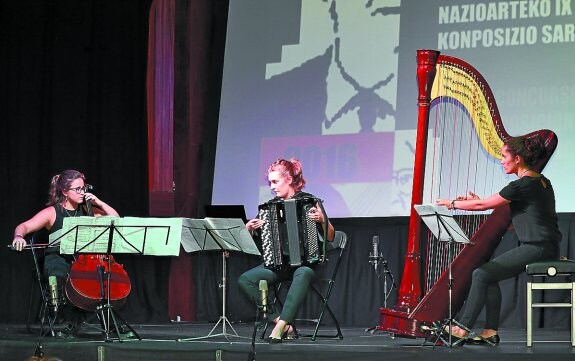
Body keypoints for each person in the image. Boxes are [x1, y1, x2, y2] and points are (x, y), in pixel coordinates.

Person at [435, 135, 561, 345]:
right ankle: (489, 332)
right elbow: (518, 219)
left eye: (504, 156)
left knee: (481, 273)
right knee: (488, 275)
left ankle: (462, 328)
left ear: (518, 158)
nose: (501, 161)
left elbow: (482, 206)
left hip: (537, 248)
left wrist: (453, 203)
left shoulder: (521, 186)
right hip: (545, 246)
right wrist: (478, 201)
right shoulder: (540, 182)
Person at [238, 158, 335, 343]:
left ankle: (281, 326)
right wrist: (250, 229)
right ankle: (279, 321)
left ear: (289, 180)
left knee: (303, 272)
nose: (272, 187)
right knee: (246, 279)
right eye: (270, 182)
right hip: (279, 265)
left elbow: (330, 237)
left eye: (275, 182)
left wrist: (323, 220)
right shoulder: (269, 208)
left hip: (307, 264)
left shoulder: (309, 202)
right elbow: (255, 241)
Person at [12, 169, 118, 335]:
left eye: (84, 188)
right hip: (58, 258)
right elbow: (24, 226)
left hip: (83, 261)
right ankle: (59, 318)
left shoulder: (88, 209)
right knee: (58, 271)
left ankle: (107, 321)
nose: (82, 192)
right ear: (65, 192)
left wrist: (100, 202)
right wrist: (19, 236)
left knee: (101, 276)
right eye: (77, 189)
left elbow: (115, 219)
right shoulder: (52, 212)